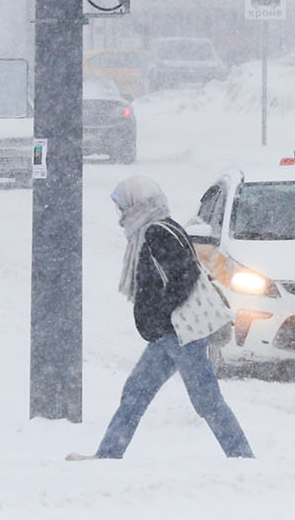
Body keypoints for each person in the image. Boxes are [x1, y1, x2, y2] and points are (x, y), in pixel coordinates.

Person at [67, 176, 253, 460]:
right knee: (135, 393)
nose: (120, 213)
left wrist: (160, 313)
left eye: (122, 206)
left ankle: (242, 457)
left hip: (180, 333)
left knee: (207, 401)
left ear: (137, 203)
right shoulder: (157, 228)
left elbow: (184, 276)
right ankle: (107, 456)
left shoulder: (157, 233)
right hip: (167, 335)